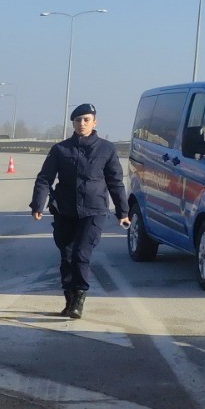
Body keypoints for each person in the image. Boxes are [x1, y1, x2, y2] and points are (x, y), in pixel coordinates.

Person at [30, 103, 129, 319]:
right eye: (77, 120)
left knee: (81, 253)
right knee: (66, 256)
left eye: (86, 119)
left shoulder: (106, 149)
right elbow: (45, 178)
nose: (82, 124)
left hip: (93, 211)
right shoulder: (60, 149)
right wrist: (38, 203)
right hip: (65, 210)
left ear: (94, 122)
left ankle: (80, 298)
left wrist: (123, 211)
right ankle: (69, 298)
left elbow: (115, 182)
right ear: (72, 123)